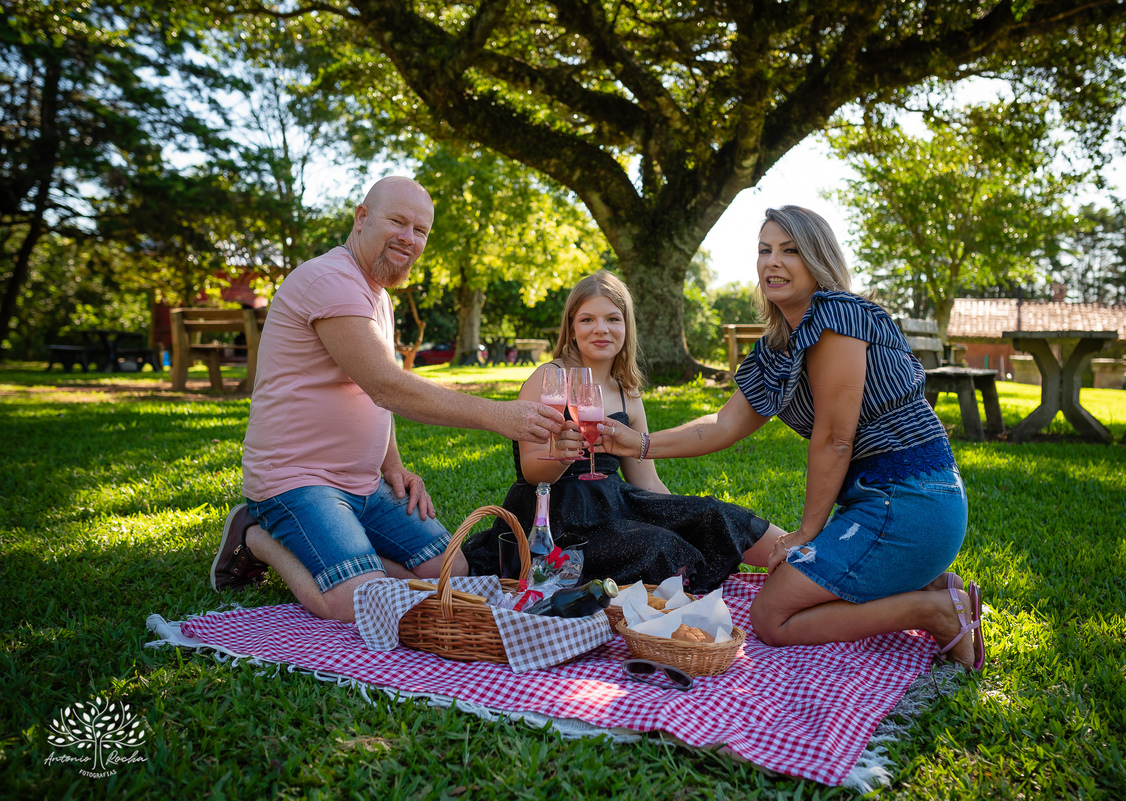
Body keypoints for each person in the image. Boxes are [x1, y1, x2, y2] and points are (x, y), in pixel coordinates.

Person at [595, 206, 985, 671]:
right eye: (764, 250)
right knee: (778, 601)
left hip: (912, 502)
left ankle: (936, 612)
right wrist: (636, 443)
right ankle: (930, 586)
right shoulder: (778, 348)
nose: (772, 262)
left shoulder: (839, 315)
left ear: (817, 258)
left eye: (790, 250)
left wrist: (806, 532)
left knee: (771, 617)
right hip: (880, 506)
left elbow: (836, 440)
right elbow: (722, 425)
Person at [209, 176, 564, 623]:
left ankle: (347, 552)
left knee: (453, 571)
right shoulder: (329, 279)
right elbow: (386, 385)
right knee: (358, 602)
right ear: (361, 218)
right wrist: (498, 415)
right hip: (296, 481)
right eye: (398, 221)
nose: (409, 239)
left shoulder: (379, 297)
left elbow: (373, 393)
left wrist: (392, 465)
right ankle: (256, 535)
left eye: (421, 231)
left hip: (363, 483)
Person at [460, 270, 786, 593]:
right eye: (587, 320)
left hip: (611, 506)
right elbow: (532, 473)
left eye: (613, 319)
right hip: (555, 519)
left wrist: (685, 514)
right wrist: (560, 456)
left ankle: (804, 557)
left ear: (626, 327)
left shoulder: (627, 393)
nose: (601, 329)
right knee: (660, 547)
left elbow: (646, 481)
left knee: (712, 513)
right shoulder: (551, 379)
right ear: (572, 328)